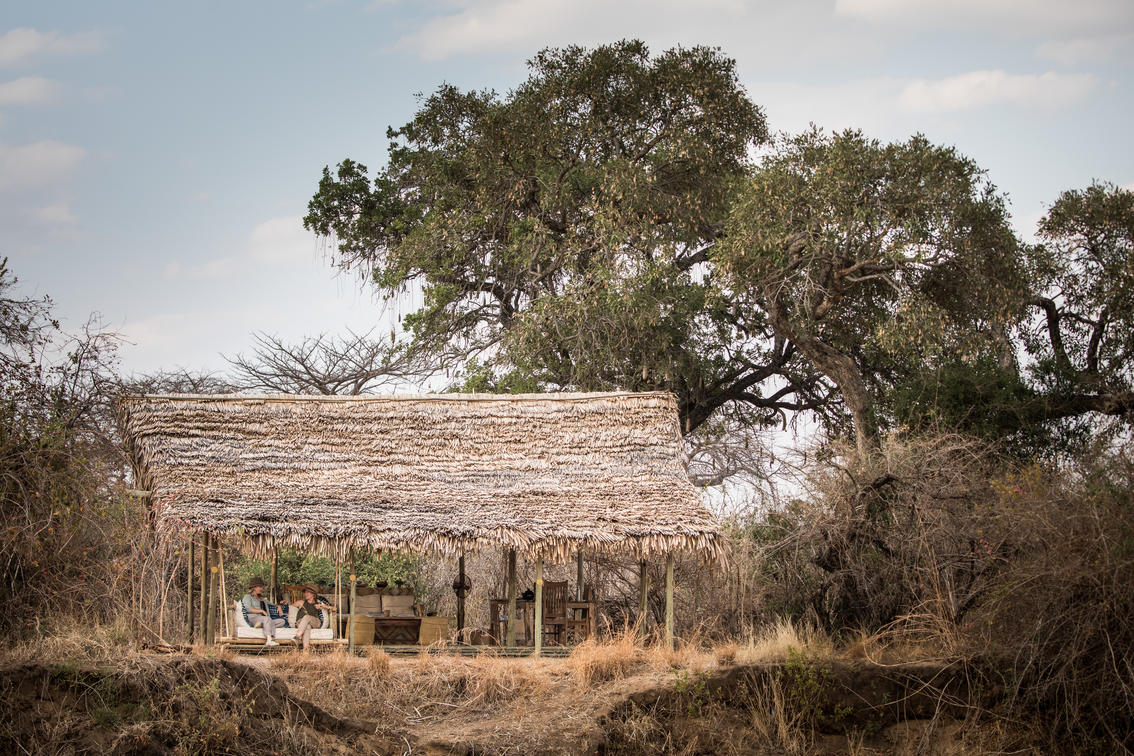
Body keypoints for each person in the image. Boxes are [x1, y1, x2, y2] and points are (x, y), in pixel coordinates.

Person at [242, 577, 285, 646]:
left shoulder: (263, 599)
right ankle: (269, 639)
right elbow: (248, 609)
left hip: (265, 619)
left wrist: (279, 607)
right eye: (260, 587)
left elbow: (274, 604)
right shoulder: (248, 597)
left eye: (262, 587)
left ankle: (263, 625)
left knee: (282, 621)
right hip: (253, 618)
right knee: (267, 619)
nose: (261, 589)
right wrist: (261, 611)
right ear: (254, 587)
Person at [292, 585, 335, 650]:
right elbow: (288, 608)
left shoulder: (319, 603)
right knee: (307, 626)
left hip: (315, 622)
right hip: (300, 623)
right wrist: (282, 605)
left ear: (313, 594)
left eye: (308, 592)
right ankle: (306, 650)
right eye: (305, 592)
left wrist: (323, 606)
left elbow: (334, 608)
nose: (305, 594)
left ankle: (297, 636)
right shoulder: (301, 602)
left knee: (307, 617)